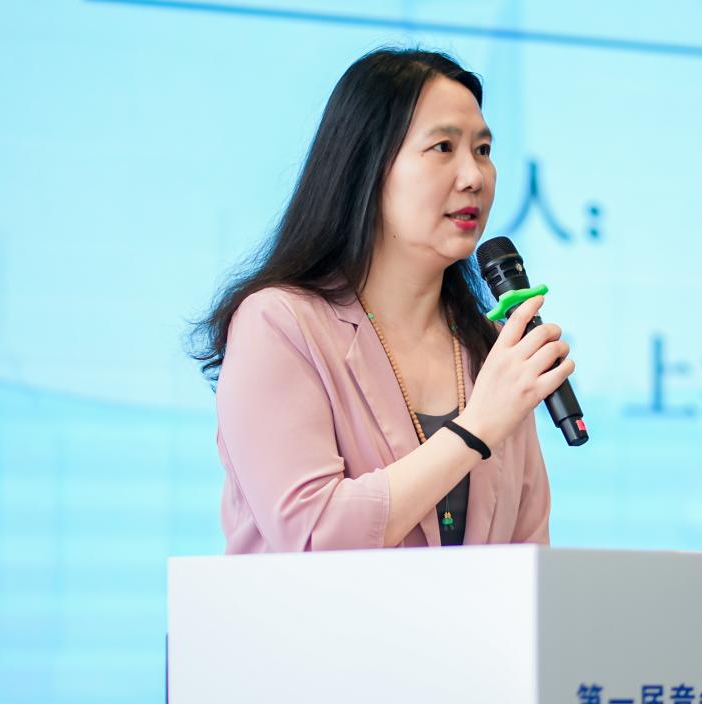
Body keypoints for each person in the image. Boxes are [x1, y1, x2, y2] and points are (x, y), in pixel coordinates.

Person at [190, 48, 574, 552]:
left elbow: (530, 556)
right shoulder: (280, 324)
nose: (474, 177)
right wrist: (477, 427)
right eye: (443, 147)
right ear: (367, 167)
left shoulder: (494, 350)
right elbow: (312, 535)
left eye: (483, 150)